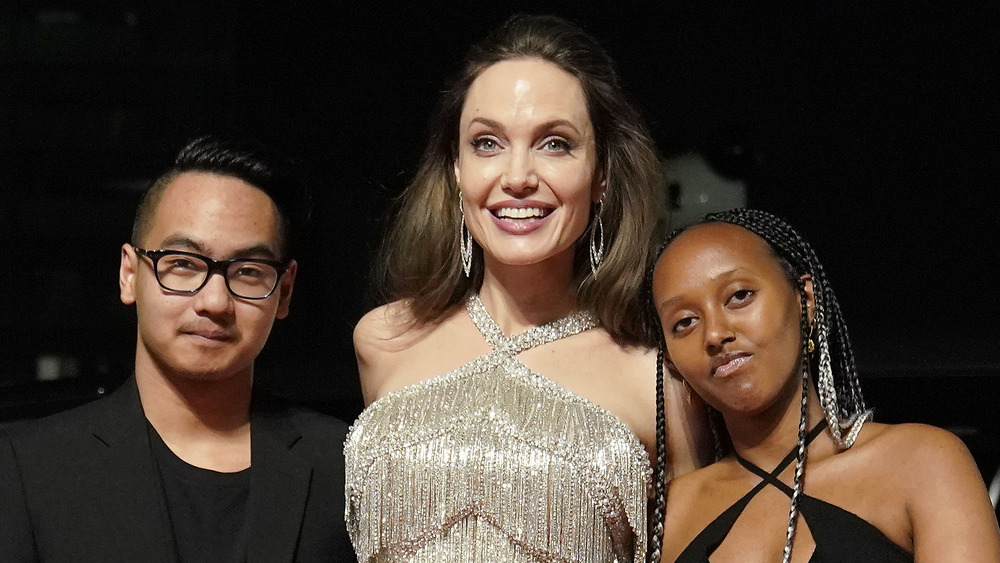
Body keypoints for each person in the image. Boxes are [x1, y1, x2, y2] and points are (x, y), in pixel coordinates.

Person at [346, 14, 707, 563]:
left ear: (602, 174)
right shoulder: (384, 340)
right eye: (487, 143)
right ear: (455, 169)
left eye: (555, 144)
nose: (517, 176)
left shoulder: (660, 377)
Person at [0, 135, 354, 562]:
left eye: (248, 271)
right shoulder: (26, 467)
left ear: (285, 291)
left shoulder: (346, 466)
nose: (215, 302)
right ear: (129, 274)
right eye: (184, 264)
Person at [649, 208, 1000, 562]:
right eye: (685, 322)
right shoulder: (675, 509)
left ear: (806, 301)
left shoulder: (921, 461)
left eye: (739, 296)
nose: (714, 334)